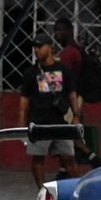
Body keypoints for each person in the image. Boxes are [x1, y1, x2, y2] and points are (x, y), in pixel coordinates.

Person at [23, 38, 77, 189]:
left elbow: (72, 93)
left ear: (50, 47)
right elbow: (24, 100)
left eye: (40, 46)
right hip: (39, 122)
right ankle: (41, 190)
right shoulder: (31, 72)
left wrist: (76, 116)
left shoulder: (63, 70)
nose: (36, 50)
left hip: (61, 123)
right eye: (35, 47)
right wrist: (22, 123)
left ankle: (75, 191)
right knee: (38, 159)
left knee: (69, 158)